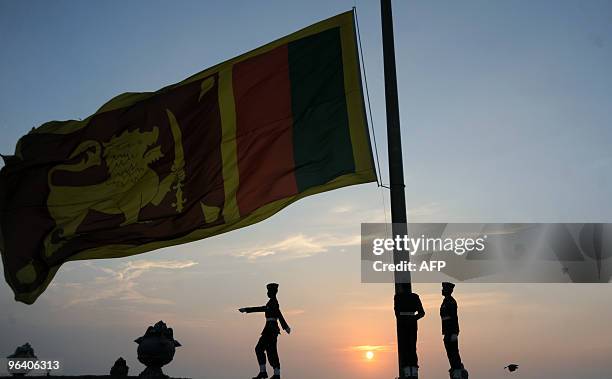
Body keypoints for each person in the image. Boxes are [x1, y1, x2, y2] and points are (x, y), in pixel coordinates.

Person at [239, 283, 291, 379]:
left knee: (268, 351)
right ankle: (268, 373)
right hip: (269, 330)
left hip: (271, 331)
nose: (267, 293)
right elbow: (279, 314)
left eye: (269, 291)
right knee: (263, 349)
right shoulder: (272, 302)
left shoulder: (273, 303)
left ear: (273, 292)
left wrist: (247, 309)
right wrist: (285, 327)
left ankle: (274, 374)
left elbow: (276, 313)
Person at [394, 291, 425, 378]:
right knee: (409, 347)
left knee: (408, 347)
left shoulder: (398, 296)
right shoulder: (413, 297)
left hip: (405, 324)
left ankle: (410, 371)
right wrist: (413, 318)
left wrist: (411, 318)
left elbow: (396, 312)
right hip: (408, 323)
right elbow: (421, 313)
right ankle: (411, 371)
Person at [440, 282, 467, 379]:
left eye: (444, 289)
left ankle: (458, 371)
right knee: (450, 352)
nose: (442, 290)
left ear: (449, 290)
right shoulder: (445, 301)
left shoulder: (451, 302)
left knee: (454, 352)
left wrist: (455, 332)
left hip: (451, 331)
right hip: (447, 331)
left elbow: (454, 318)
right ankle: (454, 369)